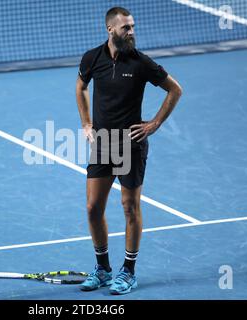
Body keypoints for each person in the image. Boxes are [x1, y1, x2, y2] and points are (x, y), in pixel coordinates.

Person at [75, 7, 183, 295]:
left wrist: (154, 124)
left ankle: (129, 271)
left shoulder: (141, 63)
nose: (132, 32)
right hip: (103, 144)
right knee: (93, 207)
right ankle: (103, 269)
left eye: (133, 27)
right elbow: (81, 86)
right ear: (111, 30)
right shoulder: (92, 58)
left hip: (131, 145)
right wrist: (86, 122)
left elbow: (175, 90)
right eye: (126, 28)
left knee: (129, 207)